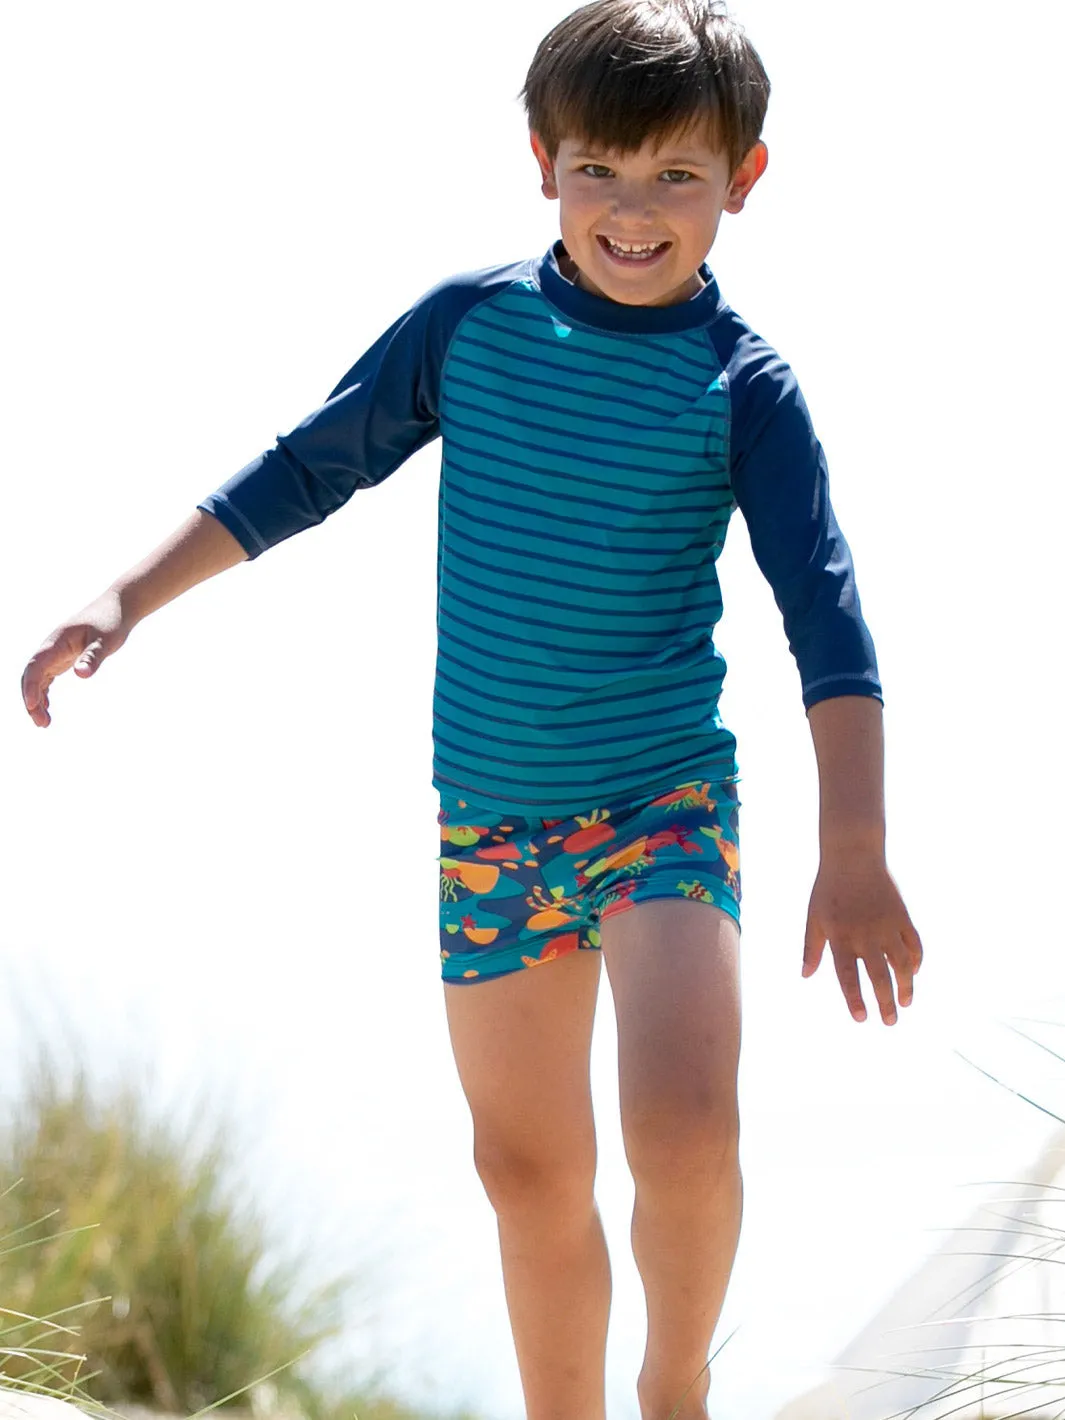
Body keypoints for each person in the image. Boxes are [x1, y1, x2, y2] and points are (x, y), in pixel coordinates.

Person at [21, 1, 924, 1416]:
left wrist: (855, 849)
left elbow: (829, 619)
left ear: (745, 179)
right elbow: (309, 466)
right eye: (599, 172)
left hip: (661, 806)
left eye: (677, 176)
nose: (634, 211)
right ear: (542, 160)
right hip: (492, 824)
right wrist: (129, 595)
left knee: (681, 1123)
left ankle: (674, 1385)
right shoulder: (471, 329)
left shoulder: (744, 388)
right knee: (525, 1169)